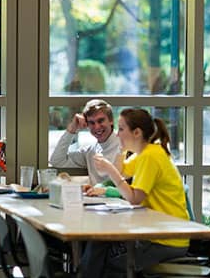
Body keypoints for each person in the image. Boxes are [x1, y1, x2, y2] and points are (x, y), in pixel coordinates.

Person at [80, 108, 189, 277]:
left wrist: (109, 169)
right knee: (97, 245)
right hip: (153, 234)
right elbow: (121, 171)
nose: (117, 135)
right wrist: (122, 150)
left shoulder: (151, 156)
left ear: (137, 132)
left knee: (102, 260)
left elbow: (134, 198)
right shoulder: (144, 153)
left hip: (166, 241)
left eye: (121, 129)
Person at [49, 99, 122, 186]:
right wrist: (72, 129)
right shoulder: (90, 151)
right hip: (96, 199)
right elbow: (57, 161)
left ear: (111, 120)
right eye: (91, 123)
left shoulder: (125, 146)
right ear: (87, 125)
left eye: (100, 121)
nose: (97, 126)